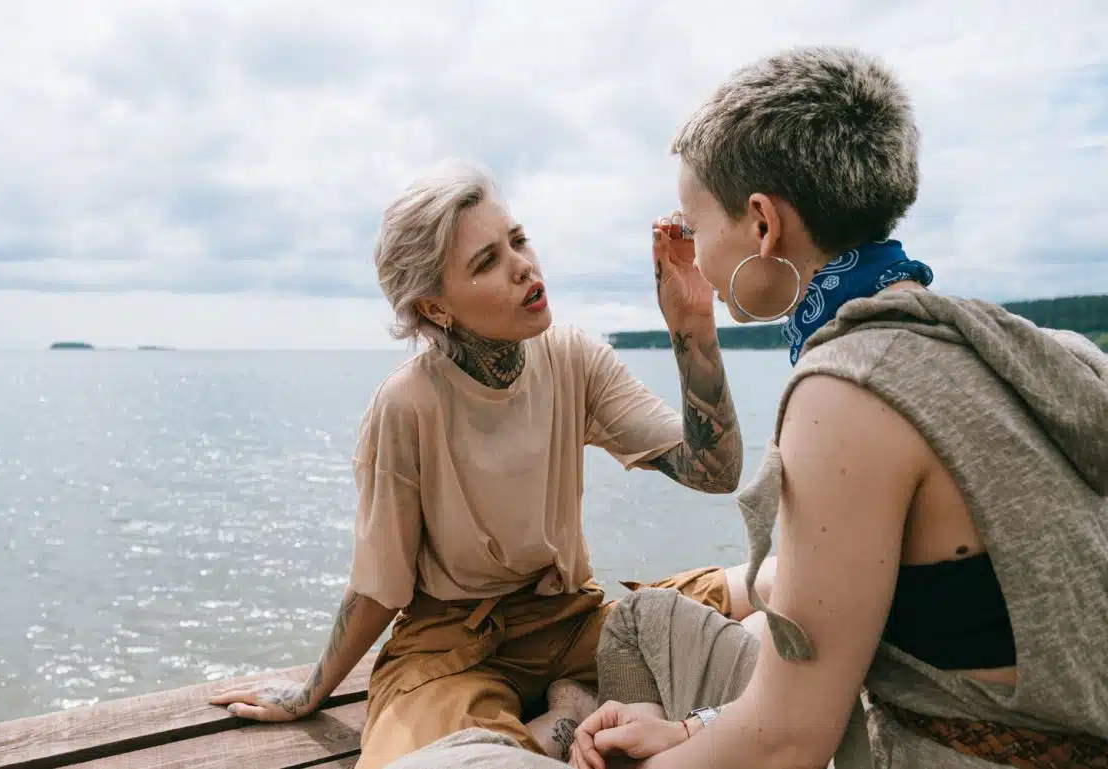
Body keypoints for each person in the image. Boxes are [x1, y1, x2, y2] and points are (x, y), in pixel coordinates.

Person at [392, 45, 1108, 769]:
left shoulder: (849, 390)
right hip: (977, 719)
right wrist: (698, 725)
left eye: (697, 229)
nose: (694, 256)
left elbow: (788, 743)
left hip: (917, 749)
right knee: (641, 617)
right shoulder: (1021, 344)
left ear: (761, 227)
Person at [206, 158, 750, 768]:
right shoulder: (407, 406)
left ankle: (563, 720)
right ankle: (566, 720)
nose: (523, 265)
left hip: (568, 615)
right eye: (487, 261)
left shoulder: (572, 358)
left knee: (763, 608)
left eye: (517, 240)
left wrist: (693, 326)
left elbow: (713, 471)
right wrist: (310, 692)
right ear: (436, 308)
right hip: (453, 645)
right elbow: (380, 588)